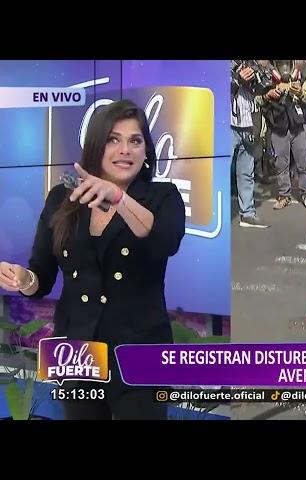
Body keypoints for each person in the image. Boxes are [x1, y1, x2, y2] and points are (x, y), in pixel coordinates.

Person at [0, 100, 186, 420]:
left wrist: (118, 198)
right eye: (113, 139)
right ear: (97, 147)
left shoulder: (163, 198)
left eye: (135, 141)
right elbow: (41, 275)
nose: (124, 149)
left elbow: (164, 241)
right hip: (77, 348)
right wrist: (24, 279)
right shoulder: (63, 198)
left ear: (145, 154)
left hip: (140, 349)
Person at [257, 60, 306, 210]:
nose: (285, 67)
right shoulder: (267, 80)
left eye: (287, 63)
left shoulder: (301, 80)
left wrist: (300, 93)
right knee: (281, 164)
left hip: (299, 127)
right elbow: (257, 100)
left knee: (304, 162)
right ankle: (284, 195)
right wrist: (268, 96)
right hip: (278, 126)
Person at [231, 61, 270, 227]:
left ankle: (247, 213)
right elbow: (215, 91)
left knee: (246, 172)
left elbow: (261, 90)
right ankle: (211, 215)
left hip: (248, 123)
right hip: (227, 124)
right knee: (219, 172)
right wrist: (237, 80)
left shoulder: (250, 64)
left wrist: (259, 78)